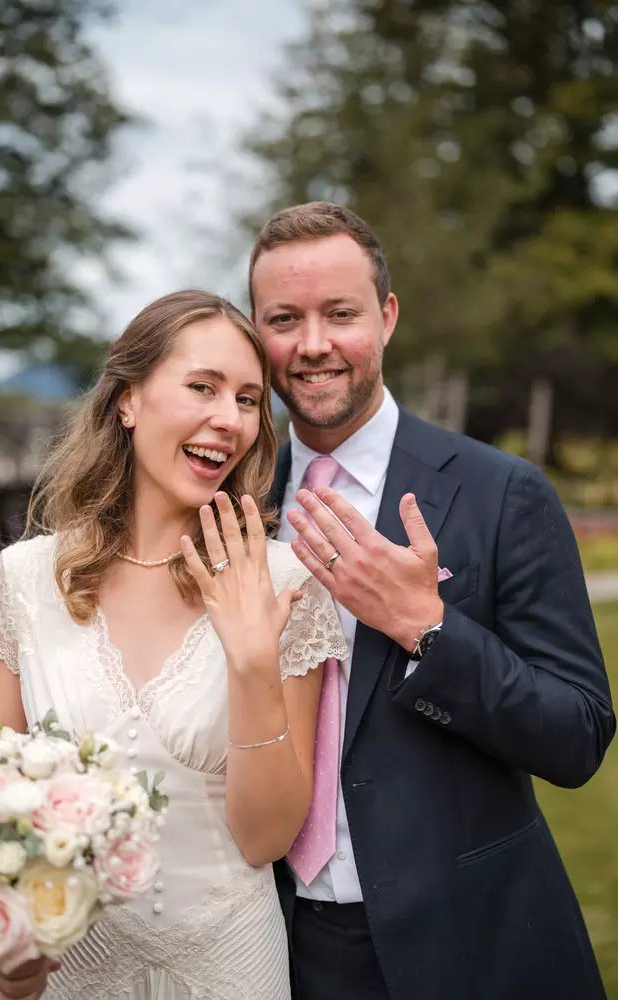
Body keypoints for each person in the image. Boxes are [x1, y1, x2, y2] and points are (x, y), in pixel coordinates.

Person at [249, 201, 615, 1000]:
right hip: (275, 947)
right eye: (284, 318)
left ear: (385, 317)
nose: (312, 344)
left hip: (471, 942)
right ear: (257, 334)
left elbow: (578, 735)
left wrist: (429, 628)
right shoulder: (236, 507)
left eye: (339, 314)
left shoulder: (501, 492)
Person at [0, 290, 347, 1000]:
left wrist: (253, 662)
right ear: (128, 400)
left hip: (227, 962)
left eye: (246, 399)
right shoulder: (22, 582)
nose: (227, 419)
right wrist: (14, 967)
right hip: (62, 972)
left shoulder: (286, 582)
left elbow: (265, 840)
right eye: (201, 387)